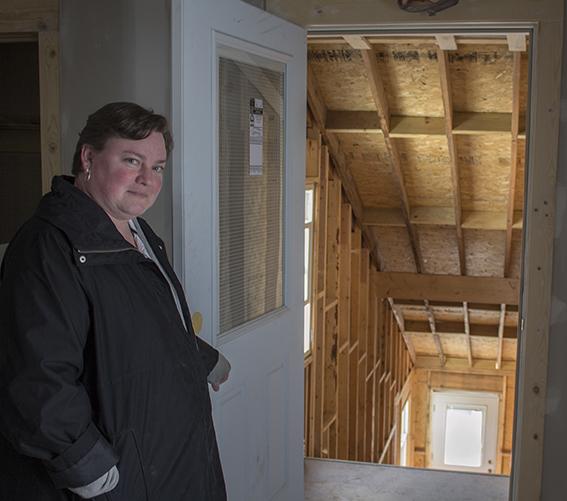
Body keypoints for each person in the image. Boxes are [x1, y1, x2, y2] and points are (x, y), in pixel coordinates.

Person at [0, 102, 230, 500]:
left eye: (157, 167)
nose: (147, 179)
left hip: (164, 452)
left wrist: (198, 356)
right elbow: (37, 374)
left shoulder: (137, 232)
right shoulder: (49, 247)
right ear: (89, 158)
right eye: (131, 160)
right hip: (116, 471)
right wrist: (82, 461)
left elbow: (134, 324)